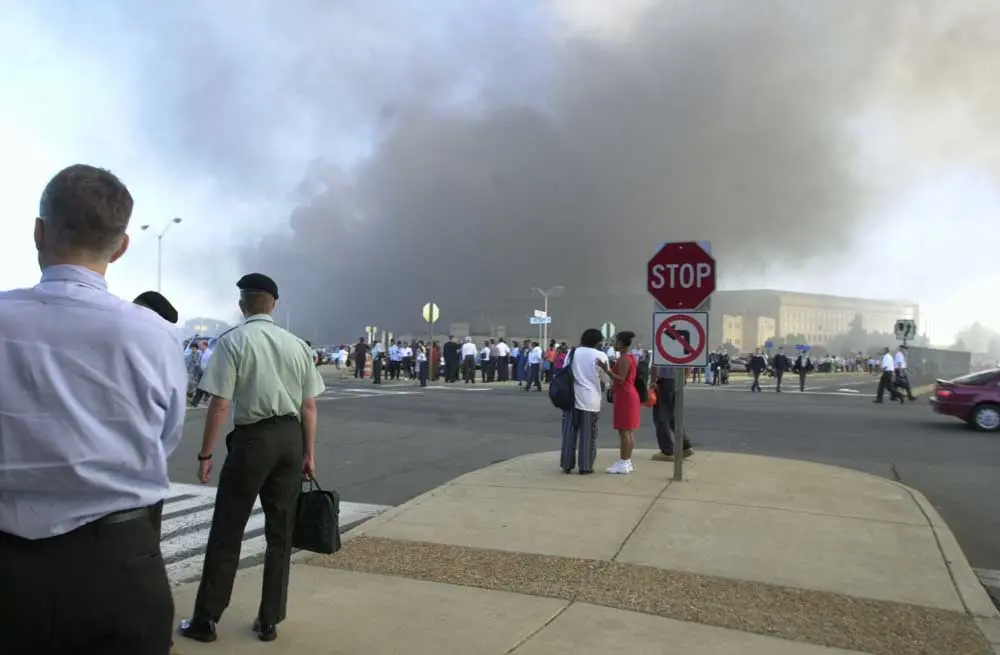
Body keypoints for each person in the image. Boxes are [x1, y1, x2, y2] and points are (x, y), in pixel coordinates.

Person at [0, 164, 186, 654]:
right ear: (121, 246)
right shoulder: (155, 337)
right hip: (117, 567)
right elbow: (163, 440)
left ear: (38, 232)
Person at [179, 273, 325, 644]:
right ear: (273, 304)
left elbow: (220, 403)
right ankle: (269, 619)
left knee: (228, 529)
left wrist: (205, 453)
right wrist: (308, 453)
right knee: (281, 532)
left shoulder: (234, 342)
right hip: (290, 439)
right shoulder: (296, 346)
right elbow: (309, 406)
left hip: (253, 441)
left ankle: (206, 619)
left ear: (242, 304)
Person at [559, 328, 609, 474]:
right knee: (588, 435)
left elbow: (565, 370)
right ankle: (585, 466)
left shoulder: (573, 352)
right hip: (591, 400)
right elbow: (606, 379)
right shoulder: (601, 355)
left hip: (571, 399)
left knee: (569, 433)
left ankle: (566, 464)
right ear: (598, 342)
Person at [599, 331, 641, 474]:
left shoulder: (624, 358)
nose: (615, 345)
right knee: (628, 431)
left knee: (624, 431)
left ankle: (623, 462)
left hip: (625, 396)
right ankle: (626, 460)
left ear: (622, 344)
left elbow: (621, 378)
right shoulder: (629, 357)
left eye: (617, 342)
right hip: (629, 394)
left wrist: (606, 370)